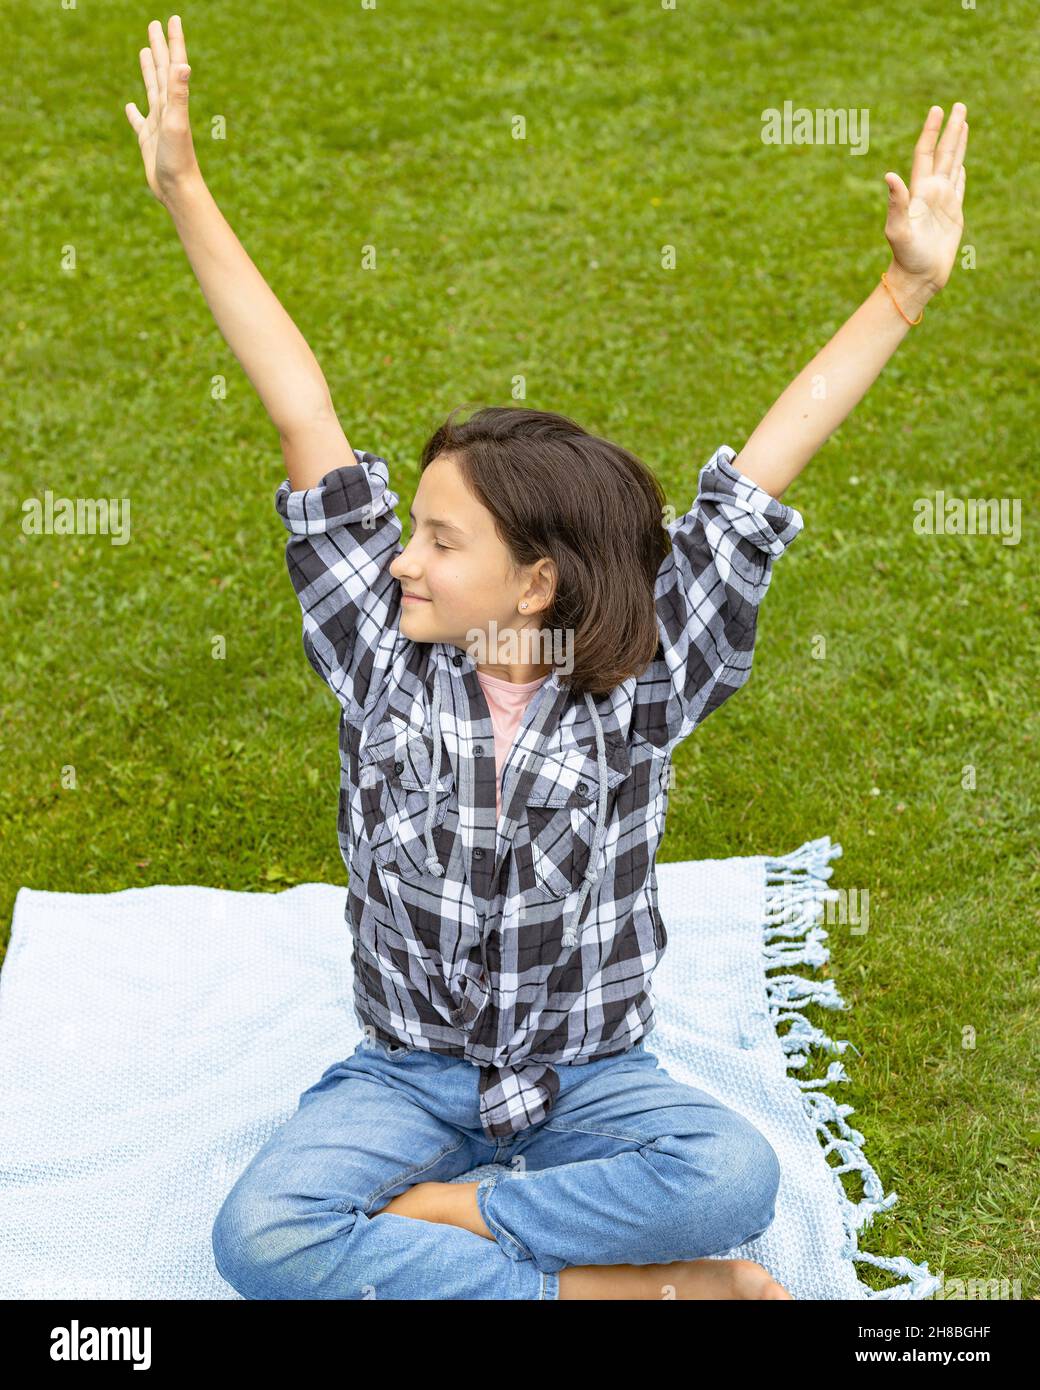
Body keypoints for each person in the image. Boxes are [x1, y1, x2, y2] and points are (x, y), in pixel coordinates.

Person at [125, 16, 968, 1300]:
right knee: (260, 1238)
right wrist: (186, 188)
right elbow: (298, 401)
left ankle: (449, 1217)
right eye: (407, 530)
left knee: (732, 1179)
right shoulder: (379, 650)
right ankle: (617, 1291)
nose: (401, 558)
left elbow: (761, 475)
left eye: (438, 539)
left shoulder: (640, 685)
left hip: (591, 1077)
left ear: (535, 581)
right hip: (406, 1075)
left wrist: (901, 292)